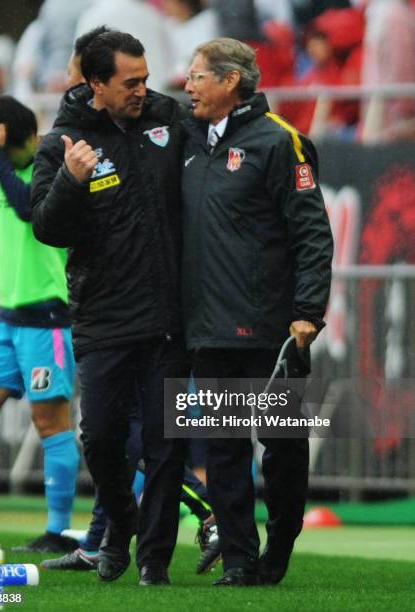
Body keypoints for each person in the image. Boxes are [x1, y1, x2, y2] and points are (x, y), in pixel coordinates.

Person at [39, 26, 221, 576]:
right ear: (96, 83)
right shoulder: (64, 143)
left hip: (167, 317)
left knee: (166, 446)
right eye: (129, 82)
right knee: (100, 436)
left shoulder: (167, 119)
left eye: (144, 78)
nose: (142, 90)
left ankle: (154, 566)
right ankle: (124, 522)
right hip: (103, 316)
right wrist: (71, 181)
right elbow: (47, 227)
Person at [181, 38, 333, 586]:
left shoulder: (280, 142)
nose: (187, 85)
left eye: (198, 76)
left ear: (231, 82)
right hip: (208, 326)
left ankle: (281, 546)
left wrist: (308, 310)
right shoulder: (191, 139)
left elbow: (313, 234)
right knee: (221, 449)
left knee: (283, 447)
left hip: (271, 328)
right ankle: (240, 559)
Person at [0, 96, 80, 553]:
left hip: (47, 319)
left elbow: (29, 210)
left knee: (49, 422)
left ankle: (59, 529)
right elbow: (5, 241)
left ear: (29, 138)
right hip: (7, 321)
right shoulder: (4, 174)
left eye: (3, 151)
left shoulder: (53, 169)